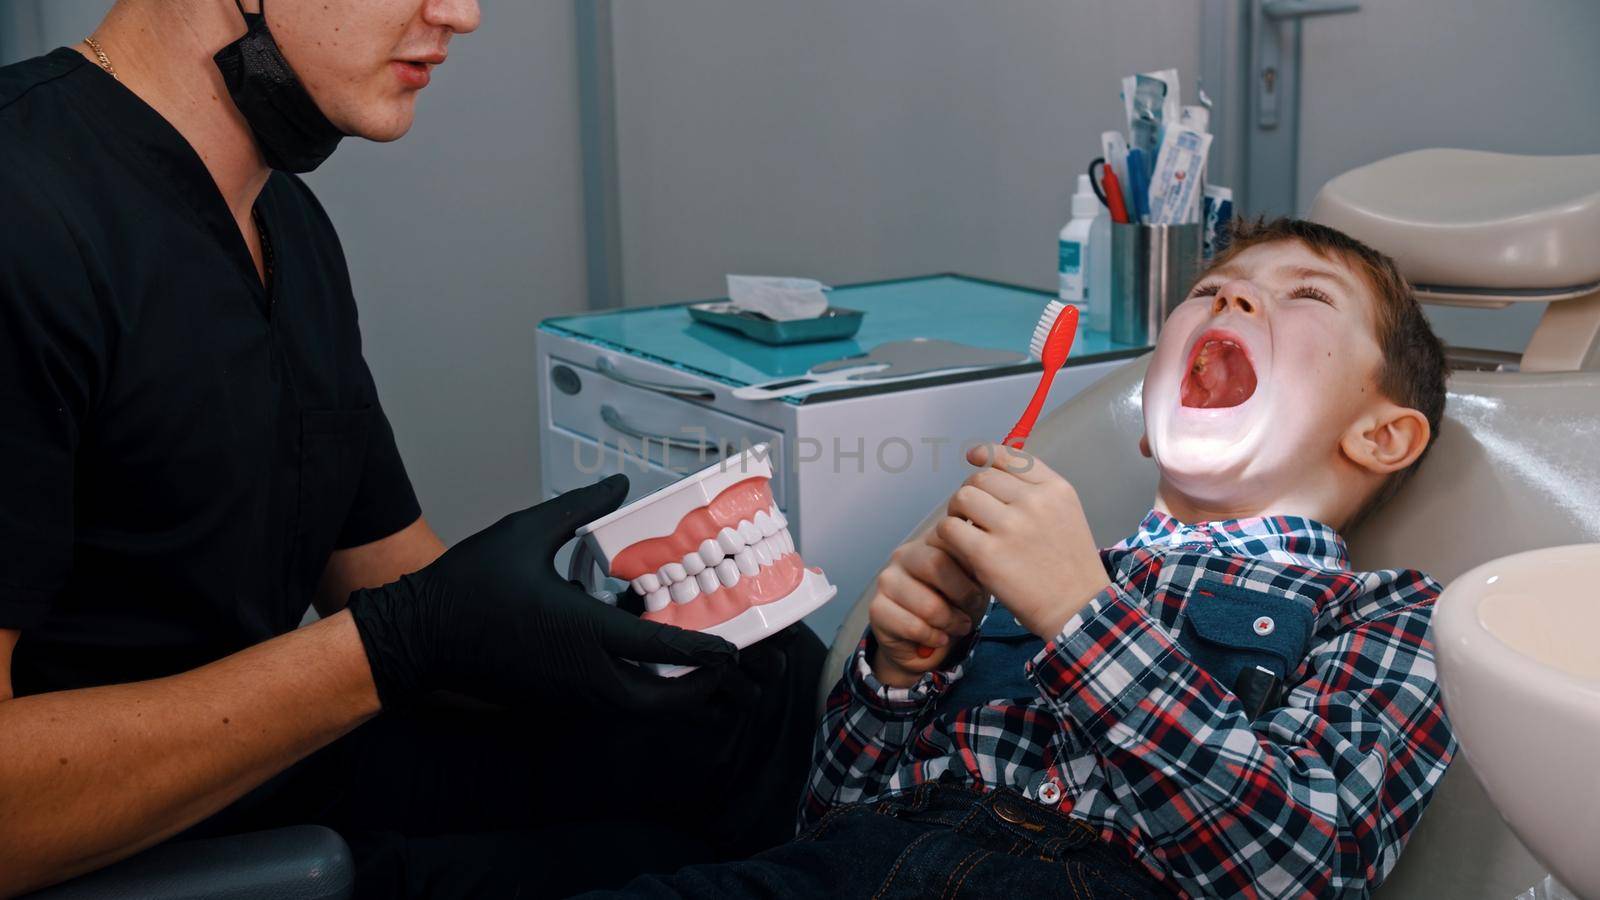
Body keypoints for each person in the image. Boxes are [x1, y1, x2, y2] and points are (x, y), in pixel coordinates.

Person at [0, 2, 821, 896]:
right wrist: (400, 642)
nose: (459, 14)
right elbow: (400, 628)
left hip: (273, 773)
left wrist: (588, 622)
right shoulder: (26, 212)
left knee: (760, 706)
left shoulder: (288, 227)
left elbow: (390, 579)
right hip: (123, 844)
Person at [591, 218, 1457, 898]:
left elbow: (1302, 869)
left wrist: (1082, 616)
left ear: (1381, 434)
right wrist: (896, 676)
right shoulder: (1023, 565)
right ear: (1152, 419)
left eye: (1306, 294)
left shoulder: (1393, 614)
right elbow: (827, 820)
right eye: (1210, 290)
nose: (1230, 304)